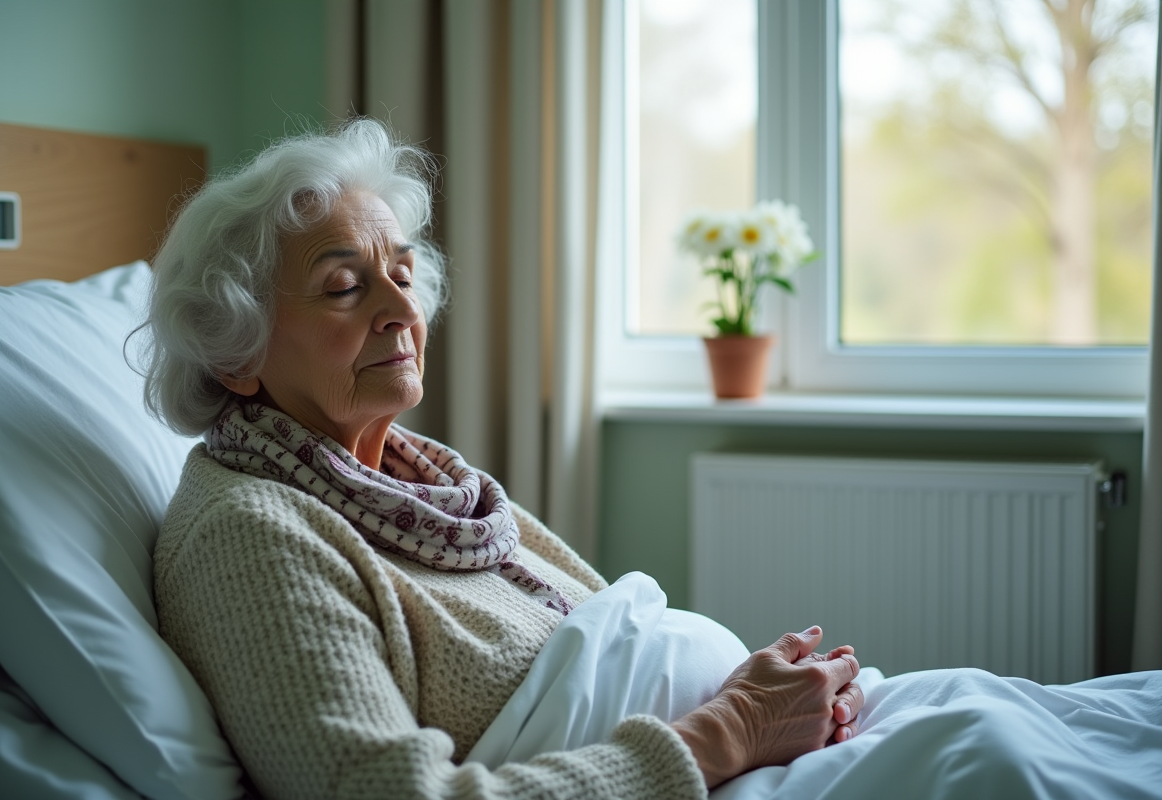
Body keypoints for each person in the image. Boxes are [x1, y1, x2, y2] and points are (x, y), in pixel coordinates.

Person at [142, 119, 864, 800]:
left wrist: (789, 698)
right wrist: (731, 731)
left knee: (973, 706)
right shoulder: (247, 534)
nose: (401, 307)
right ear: (235, 351)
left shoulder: (424, 482)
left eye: (401, 271)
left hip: (751, 757)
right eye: (343, 287)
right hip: (710, 773)